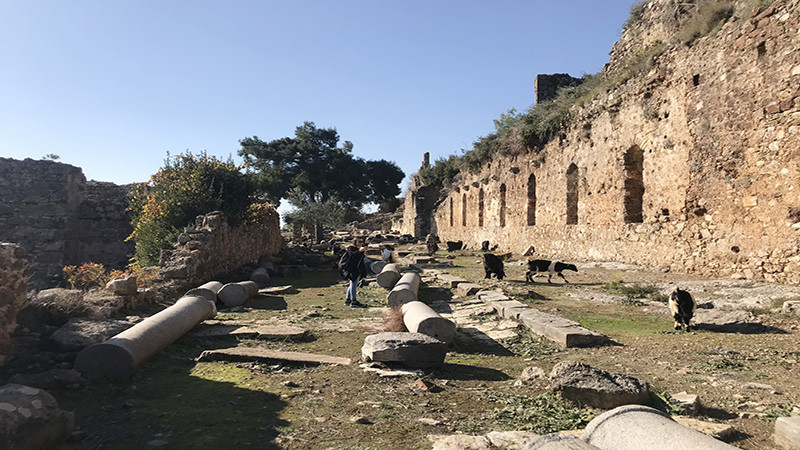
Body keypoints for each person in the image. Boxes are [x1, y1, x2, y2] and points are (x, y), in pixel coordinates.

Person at [339, 236, 368, 308]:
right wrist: (360, 251)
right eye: (359, 242)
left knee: (352, 284)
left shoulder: (360, 250)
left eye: (362, 242)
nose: (361, 243)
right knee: (353, 285)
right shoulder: (351, 248)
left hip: (356, 269)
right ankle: (354, 301)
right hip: (350, 269)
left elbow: (360, 261)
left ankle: (348, 300)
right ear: (355, 242)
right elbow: (353, 254)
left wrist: (364, 273)